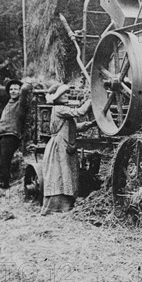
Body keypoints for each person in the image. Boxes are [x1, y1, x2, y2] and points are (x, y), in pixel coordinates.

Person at [41, 84, 95, 216]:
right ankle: (55, 207)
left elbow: (74, 127)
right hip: (59, 147)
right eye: (63, 94)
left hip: (65, 146)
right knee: (59, 174)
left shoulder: (62, 111)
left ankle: (65, 206)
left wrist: (91, 124)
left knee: (65, 175)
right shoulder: (59, 109)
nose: (67, 96)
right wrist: (92, 99)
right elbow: (80, 112)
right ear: (57, 98)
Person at [0, 78, 32, 189]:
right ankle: (0, 185)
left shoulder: (20, 104)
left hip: (11, 135)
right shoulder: (8, 103)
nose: (13, 91)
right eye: (11, 89)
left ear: (20, 91)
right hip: (0, 135)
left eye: (16, 89)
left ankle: (5, 186)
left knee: (3, 164)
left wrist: (26, 83)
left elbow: (26, 89)